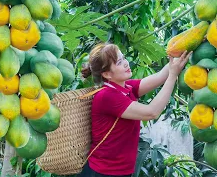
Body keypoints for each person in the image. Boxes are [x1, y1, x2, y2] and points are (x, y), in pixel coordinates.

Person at [80, 43, 192, 177]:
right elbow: (152, 112)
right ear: (107, 74)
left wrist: (189, 46)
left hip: (119, 172)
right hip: (102, 173)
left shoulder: (126, 87)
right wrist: (173, 75)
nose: (126, 63)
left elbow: (160, 76)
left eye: (124, 58)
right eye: (119, 62)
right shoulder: (106, 96)